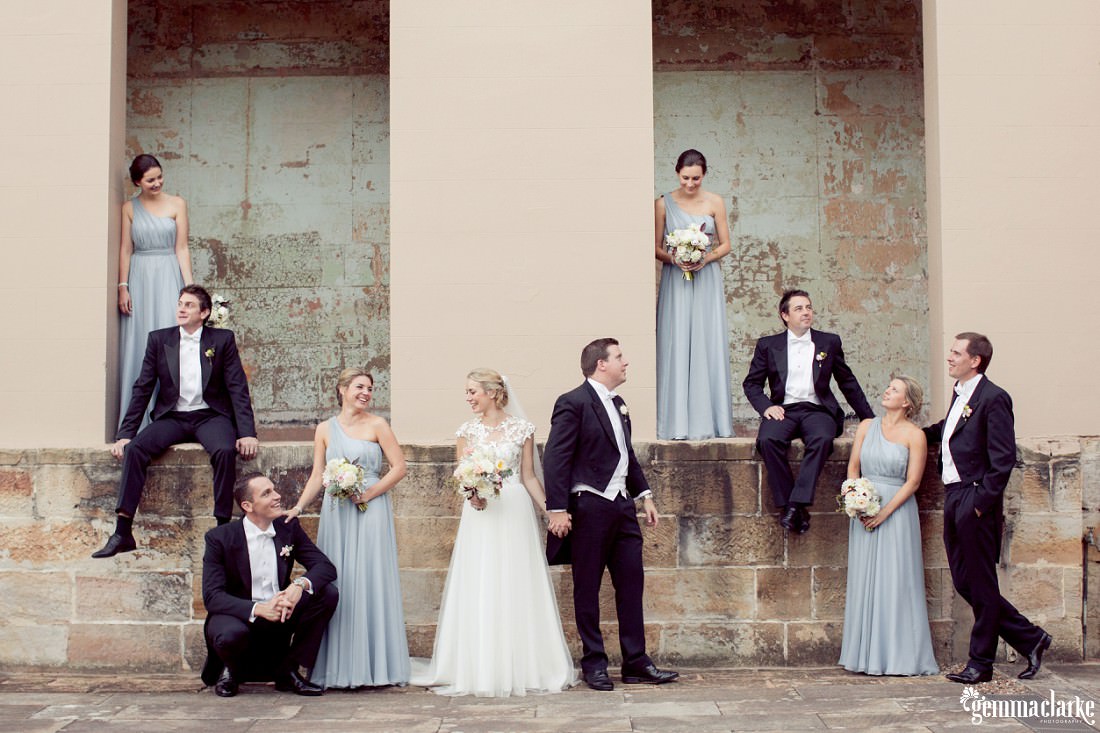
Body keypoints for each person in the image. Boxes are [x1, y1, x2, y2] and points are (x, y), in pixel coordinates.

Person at [411, 369, 575, 696]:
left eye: (473, 391)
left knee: (517, 582)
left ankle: (525, 665)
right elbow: (463, 476)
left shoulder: (522, 429)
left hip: (514, 511)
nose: (468, 398)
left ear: (492, 392)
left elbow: (528, 477)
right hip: (481, 515)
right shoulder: (467, 431)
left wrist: (552, 510)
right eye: (467, 392)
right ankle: (480, 667)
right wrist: (472, 493)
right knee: (482, 581)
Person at [543, 339, 678, 691]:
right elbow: (556, 458)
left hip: (622, 506)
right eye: (619, 357)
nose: (626, 362)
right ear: (601, 364)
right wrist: (557, 509)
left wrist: (644, 495)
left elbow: (625, 453)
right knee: (587, 586)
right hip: (589, 506)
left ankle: (636, 661)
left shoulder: (619, 403)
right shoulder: (572, 402)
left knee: (631, 583)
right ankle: (594, 663)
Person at [92, 284, 259, 558]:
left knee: (225, 450)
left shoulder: (222, 340)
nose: (182, 308)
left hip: (210, 416)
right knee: (134, 449)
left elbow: (237, 388)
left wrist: (246, 432)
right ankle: (123, 531)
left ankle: (222, 527)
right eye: (180, 303)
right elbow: (143, 387)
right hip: (173, 416)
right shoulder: (159, 339)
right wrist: (125, 434)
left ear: (204, 312)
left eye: (190, 305)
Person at [925, 332, 1051, 684]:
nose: (949, 358)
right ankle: (1031, 638)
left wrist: (980, 505)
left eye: (955, 353)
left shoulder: (994, 398)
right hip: (954, 495)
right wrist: (908, 433)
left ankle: (981, 663)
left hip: (974, 498)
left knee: (980, 583)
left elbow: (1003, 459)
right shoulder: (961, 394)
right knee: (967, 582)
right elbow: (947, 430)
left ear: (975, 360)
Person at [284, 368, 410, 688]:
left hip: (371, 508)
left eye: (370, 388)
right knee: (341, 579)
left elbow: (399, 468)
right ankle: (338, 666)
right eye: (359, 387)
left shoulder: (379, 425)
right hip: (337, 510)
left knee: (370, 578)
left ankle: (375, 666)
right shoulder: (325, 429)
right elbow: (317, 475)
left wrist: (368, 492)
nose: (366, 393)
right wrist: (298, 507)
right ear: (342, 389)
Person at [742, 289, 874, 534]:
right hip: (784, 409)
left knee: (823, 439)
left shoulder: (829, 342)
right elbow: (751, 384)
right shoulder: (768, 345)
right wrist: (767, 407)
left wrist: (869, 418)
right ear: (784, 315)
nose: (806, 312)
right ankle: (794, 506)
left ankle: (794, 503)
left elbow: (847, 382)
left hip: (818, 410)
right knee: (768, 440)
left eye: (809, 307)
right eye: (799, 308)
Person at [200, 472, 338, 698]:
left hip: (281, 611)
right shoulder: (219, 538)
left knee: (328, 594)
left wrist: (299, 585)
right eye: (267, 493)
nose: (277, 496)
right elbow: (213, 597)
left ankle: (288, 670)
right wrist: (259, 609)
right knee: (230, 634)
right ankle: (231, 670)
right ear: (248, 505)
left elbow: (325, 567)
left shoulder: (288, 528)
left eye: (274, 490)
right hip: (239, 615)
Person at [838, 376, 938, 676]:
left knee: (896, 581)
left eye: (895, 389)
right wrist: (855, 499)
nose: (887, 391)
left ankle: (898, 656)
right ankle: (864, 655)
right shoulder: (867, 426)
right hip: (864, 511)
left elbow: (914, 482)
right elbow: (853, 467)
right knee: (864, 580)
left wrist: (884, 512)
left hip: (897, 512)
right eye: (888, 387)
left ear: (907, 402)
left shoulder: (915, 435)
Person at [655, 149, 733, 440]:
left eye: (696, 178)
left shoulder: (715, 202)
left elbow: (726, 244)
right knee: (677, 339)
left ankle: (712, 422)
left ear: (704, 175)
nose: (690, 184)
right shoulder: (662, 204)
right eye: (686, 178)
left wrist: (705, 258)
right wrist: (675, 259)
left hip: (706, 276)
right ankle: (676, 423)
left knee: (707, 338)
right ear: (677, 173)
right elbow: (655, 247)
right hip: (677, 278)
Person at [117, 154, 193, 433]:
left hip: (168, 273)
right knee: (140, 340)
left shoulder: (177, 204)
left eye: (160, 176)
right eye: (150, 179)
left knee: (170, 337)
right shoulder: (129, 208)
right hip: (140, 276)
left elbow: (181, 248)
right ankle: (136, 422)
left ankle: (172, 416)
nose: (157, 182)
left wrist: (190, 289)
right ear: (137, 182)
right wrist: (122, 287)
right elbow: (126, 249)